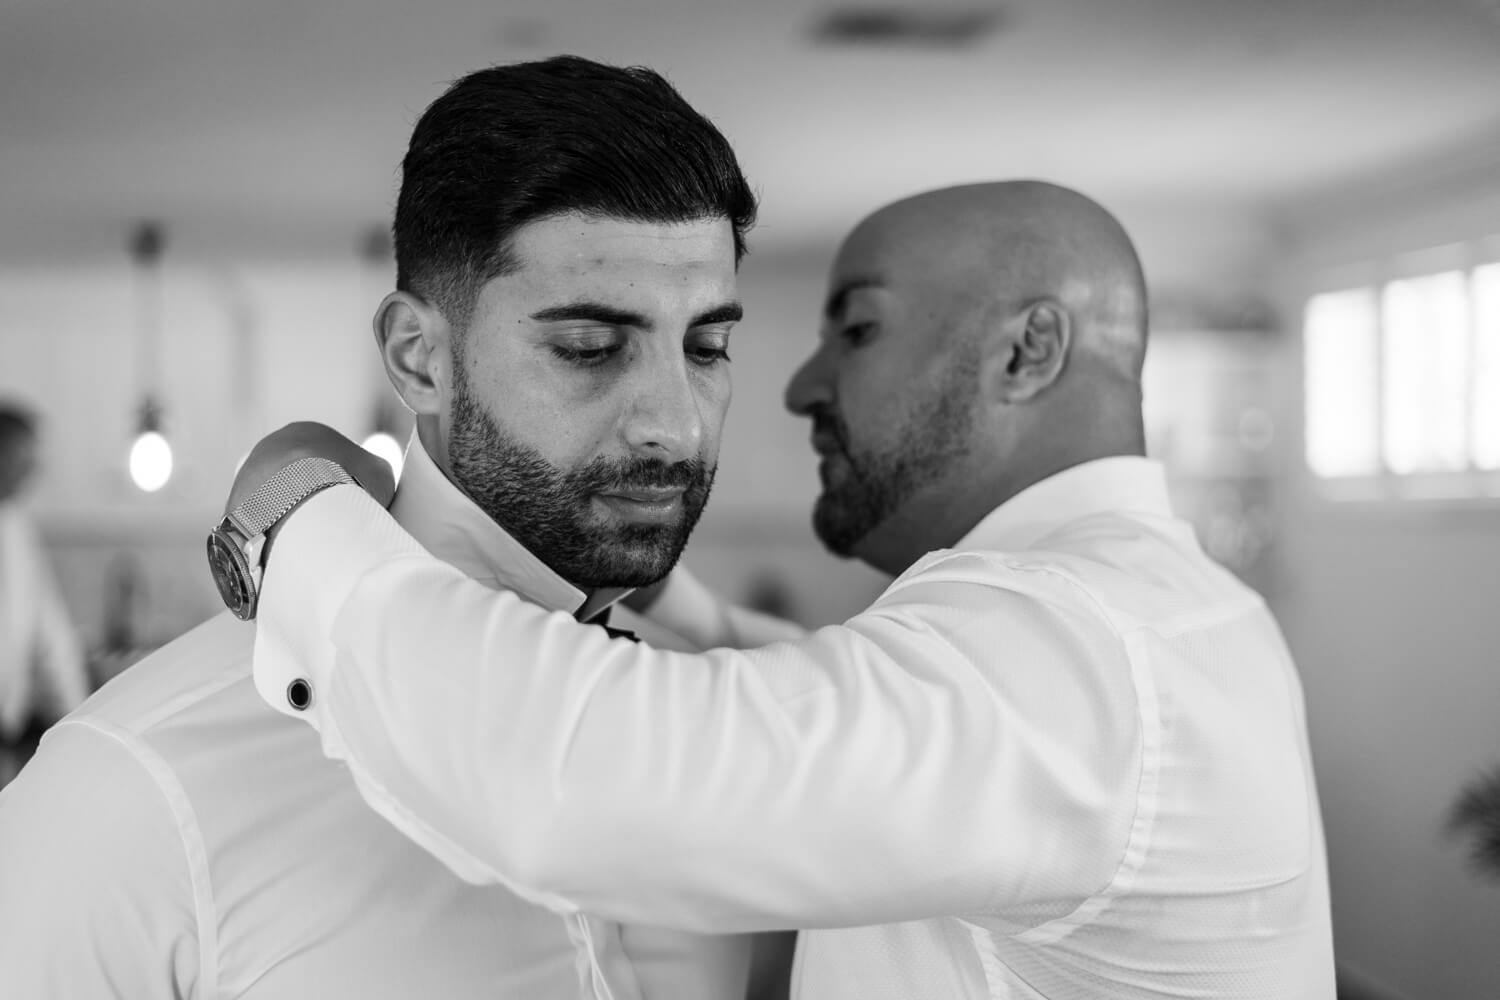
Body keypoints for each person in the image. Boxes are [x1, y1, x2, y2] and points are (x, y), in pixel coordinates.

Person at [228, 180, 1337, 998]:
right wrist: (682, 612)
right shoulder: (1165, 612)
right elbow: (867, 731)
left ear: (1027, 351)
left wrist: (297, 508)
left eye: (857, 329)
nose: (802, 385)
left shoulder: (1068, 648)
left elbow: (585, 782)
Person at [0, 55, 797, 998]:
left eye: (708, 346)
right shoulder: (136, 789)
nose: (678, 425)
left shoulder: (719, 735)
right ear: (419, 359)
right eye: (589, 349)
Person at [0, 403, 89, 787]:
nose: (33, 470)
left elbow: (51, 635)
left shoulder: (17, 528)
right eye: (22, 456)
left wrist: (75, 720)